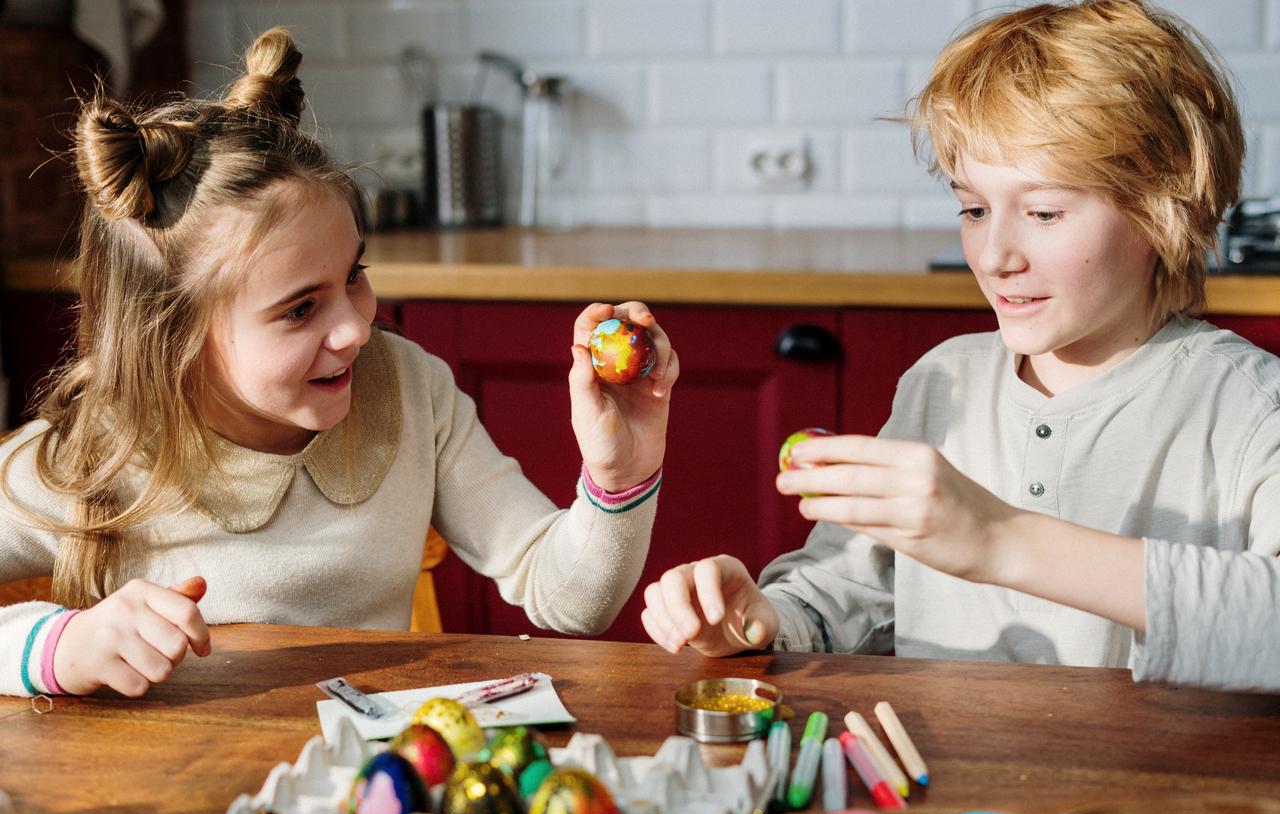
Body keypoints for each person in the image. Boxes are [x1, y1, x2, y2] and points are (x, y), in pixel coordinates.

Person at [0, 28, 677, 699]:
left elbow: (569, 598)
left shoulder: (410, 389)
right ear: (173, 337)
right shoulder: (98, 452)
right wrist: (62, 647)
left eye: (354, 275)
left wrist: (620, 474)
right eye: (300, 309)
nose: (356, 329)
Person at [640, 0, 1280, 692]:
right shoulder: (944, 382)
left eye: (1043, 212)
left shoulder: (1249, 408)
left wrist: (999, 538)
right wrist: (763, 618)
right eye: (974, 208)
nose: (996, 255)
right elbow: (850, 592)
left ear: (1164, 208)